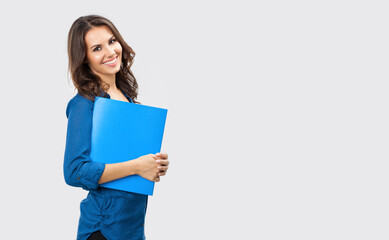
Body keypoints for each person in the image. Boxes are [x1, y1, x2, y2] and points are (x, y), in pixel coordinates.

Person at [64, 15, 169, 240]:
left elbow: (124, 162)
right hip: (104, 228)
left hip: (132, 228)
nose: (111, 52)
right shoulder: (83, 104)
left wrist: (154, 164)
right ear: (84, 58)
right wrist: (136, 166)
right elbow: (74, 172)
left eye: (112, 41)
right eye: (97, 48)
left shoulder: (127, 100)